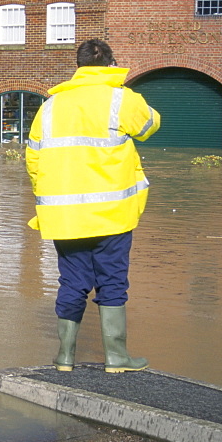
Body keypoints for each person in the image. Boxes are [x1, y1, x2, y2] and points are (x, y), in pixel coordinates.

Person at [25, 39, 160, 374]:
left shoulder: (51, 106)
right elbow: (151, 125)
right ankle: (116, 358)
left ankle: (64, 358)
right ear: (110, 64)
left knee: (72, 281)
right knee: (112, 281)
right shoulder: (121, 98)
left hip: (65, 217)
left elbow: (33, 160)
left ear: (79, 65)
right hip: (112, 215)